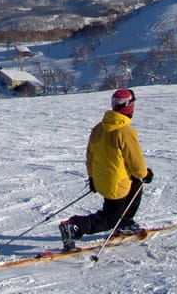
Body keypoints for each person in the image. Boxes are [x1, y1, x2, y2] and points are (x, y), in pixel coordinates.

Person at [59, 88, 153, 251]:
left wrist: (92, 178)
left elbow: (90, 156)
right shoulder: (125, 132)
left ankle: (125, 222)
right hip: (117, 185)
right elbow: (137, 164)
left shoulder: (99, 128)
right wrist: (146, 174)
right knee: (110, 218)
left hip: (101, 180)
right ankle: (76, 226)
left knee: (136, 184)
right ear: (129, 107)